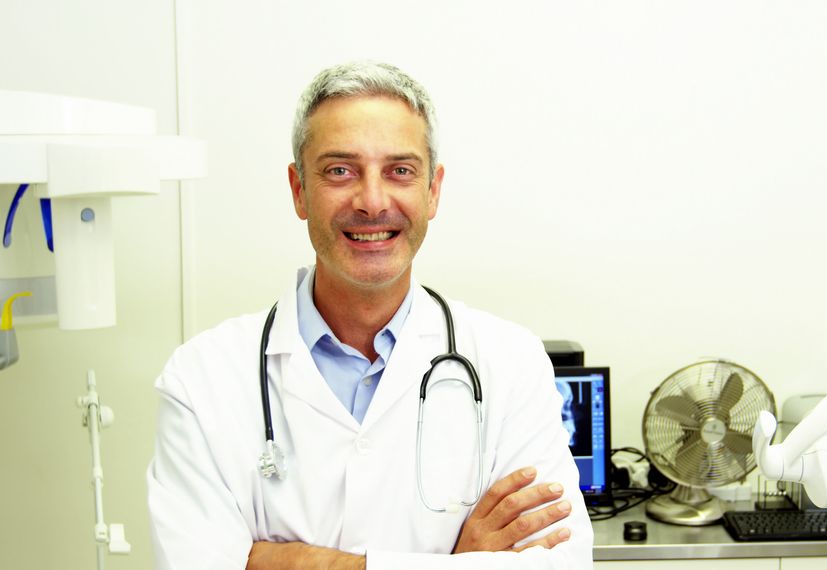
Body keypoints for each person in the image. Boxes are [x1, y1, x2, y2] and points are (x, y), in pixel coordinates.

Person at [147, 61, 593, 569]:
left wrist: (283, 561)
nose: (373, 201)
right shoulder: (202, 379)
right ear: (299, 190)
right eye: (340, 170)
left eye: (400, 171)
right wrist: (456, 561)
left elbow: (558, 563)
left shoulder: (509, 363)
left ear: (432, 191)